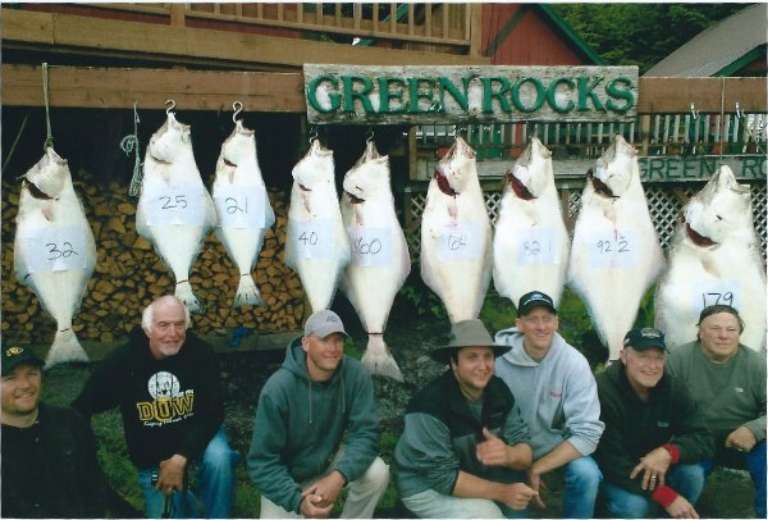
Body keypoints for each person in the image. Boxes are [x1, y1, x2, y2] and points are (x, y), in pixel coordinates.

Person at [73, 295, 238, 519]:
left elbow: (213, 413)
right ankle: (187, 501)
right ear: (148, 329)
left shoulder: (202, 354)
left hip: (196, 438)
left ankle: (218, 515)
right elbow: (83, 406)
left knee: (220, 457)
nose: (173, 333)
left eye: (179, 325)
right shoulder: (123, 361)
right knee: (168, 513)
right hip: (153, 457)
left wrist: (180, 459)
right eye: (163, 325)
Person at [247, 309, 389, 518]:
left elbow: (367, 433)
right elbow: (262, 463)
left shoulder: (355, 374)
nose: (333, 348)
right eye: (324, 340)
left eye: (338, 340)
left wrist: (338, 477)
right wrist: (298, 501)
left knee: (377, 472)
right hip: (287, 477)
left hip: (329, 463)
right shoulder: (278, 389)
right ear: (305, 343)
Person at [394, 319, 537, 518]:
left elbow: (525, 448)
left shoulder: (499, 390)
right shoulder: (428, 405)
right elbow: (442, 478)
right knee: (488, 515)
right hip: (425, 486)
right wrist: (503, 492)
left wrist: (510, 454)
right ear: (454, 363)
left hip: (478, 475)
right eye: (472, 357)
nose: (483, 366)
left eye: (488, 356)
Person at [494, 290, 605, 518]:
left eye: (547, 318)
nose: (541, 326)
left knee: (587, 474)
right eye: (532, 319)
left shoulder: (574, 363)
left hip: (555, 453)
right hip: (510, 456)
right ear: (519, 324)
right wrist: (517, 460)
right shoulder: (496, 360)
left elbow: (588, 433)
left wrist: (538, 467)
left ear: (556, 322)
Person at [595, 327, 714, 518]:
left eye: (658, 358)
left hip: (657, 468)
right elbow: (609, 458)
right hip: (613, 473)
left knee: (692, 475)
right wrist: (666, 496)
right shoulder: (603, 391)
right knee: (635, 506)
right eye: (643, 356)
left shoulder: (673, 387)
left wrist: (669, 452)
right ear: (624, 357)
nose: (652, 365)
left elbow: (703, 437)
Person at [666, 305, 766, 518]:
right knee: (687, 475)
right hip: (696, 442)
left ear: (739, 334)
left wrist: (753, 429)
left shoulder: (757, 364)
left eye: (731, 330)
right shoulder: (679, 360)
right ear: (700, 332)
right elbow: (660, 407)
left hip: (743, 442)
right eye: (715, 329)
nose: (723, 336)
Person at [2, 343, 112, 517]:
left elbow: (96, 485)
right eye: (10, 377)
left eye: (32, 373)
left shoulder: (70, 422)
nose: (25, 385)